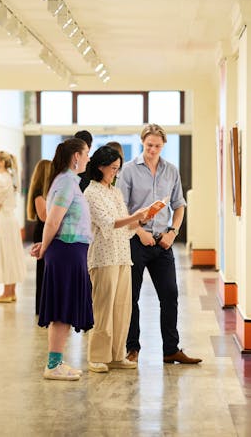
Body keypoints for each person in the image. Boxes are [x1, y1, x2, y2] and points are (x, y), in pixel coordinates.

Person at [117, 124, 202, 364]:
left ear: (163, 145)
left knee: (170, 295)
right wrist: (138, 230)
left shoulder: (171, 171)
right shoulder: (129, 171)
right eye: (148, 145)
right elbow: (122, 207)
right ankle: (132, 348)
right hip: (135, 241)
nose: (152, 150)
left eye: (157, 146)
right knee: (131, 297)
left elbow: (179, 204)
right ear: (142, 143)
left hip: (163, 242)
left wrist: (173, 232)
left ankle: (171, 349)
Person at [30, 138, 93, 380]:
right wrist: (44, 248)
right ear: (76, 156)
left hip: (71, 250)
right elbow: (53, 220)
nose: (89, 156)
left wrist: (45, 245)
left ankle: (56, 361)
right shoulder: (66, 181)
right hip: (66, 250)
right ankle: (53, 365)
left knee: (64, 309)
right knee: (61, 310)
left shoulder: (69, 181)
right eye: (86, 152)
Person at [84, 146, 149, 373]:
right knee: (103, 308)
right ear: (100, 167)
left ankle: (116, 354)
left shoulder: (114, 192)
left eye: (117, 169)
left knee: (122, 307)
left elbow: (126, 223)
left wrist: (142, 219)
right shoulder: (91, 193)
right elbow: (109, 222)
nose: (115, 173)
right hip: (103, 257)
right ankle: (97, 356)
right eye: (112, 169)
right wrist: (134, 216)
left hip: (122, 255)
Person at [0, 151, 26, 303]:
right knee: (11, 254)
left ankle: (6, 293)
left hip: (3, 220)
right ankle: (11, 291)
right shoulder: (10, 177)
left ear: (2, 162)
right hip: (11, 220)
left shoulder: (1, 180)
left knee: (5, 254)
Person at [26, 159, 52, 315]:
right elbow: (44, 216)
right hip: (42, 232)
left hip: (46, 232)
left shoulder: (48, 194)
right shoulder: (39, 195)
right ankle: (42, 307)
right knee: (43, 271)